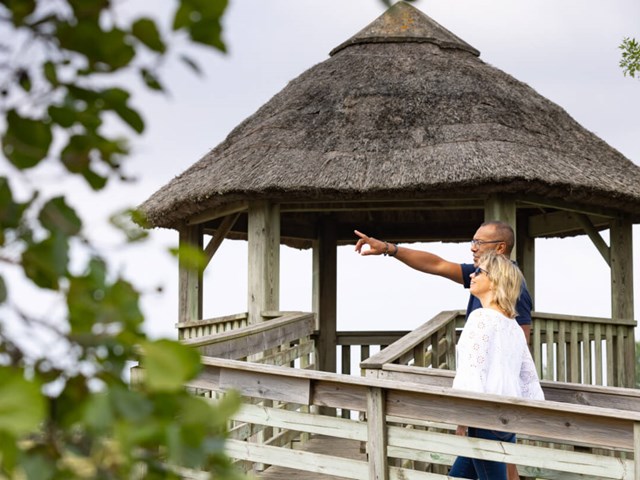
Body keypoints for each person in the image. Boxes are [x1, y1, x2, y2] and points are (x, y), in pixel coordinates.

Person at [448, 251, 544, 479]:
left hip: (483, 417)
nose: (472, 274)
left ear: (496, 280)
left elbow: (472, 372)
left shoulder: (480, 318)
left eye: (479, 271)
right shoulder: (513, 327)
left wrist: (463, 418)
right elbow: (528, 380)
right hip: (506, 421)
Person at [354, 221, 532, 342]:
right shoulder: (481, 274)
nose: (473, 247)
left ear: (500, 247)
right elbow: (437, 265)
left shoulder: (515, 287)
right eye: (473, 241)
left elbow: (521, 343)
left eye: (479, 242)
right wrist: (389, 248)